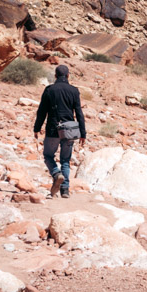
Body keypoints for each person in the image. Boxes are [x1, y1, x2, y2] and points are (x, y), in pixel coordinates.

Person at [33, 64, 86, 197]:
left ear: (55, 76)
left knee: (48, 156)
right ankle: (65, 190)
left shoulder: (49, 90)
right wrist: (83, 133)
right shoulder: (74, 90)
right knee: (65, 160)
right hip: (69, 130)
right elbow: (79, 112)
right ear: (68, 75)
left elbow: (42, 111)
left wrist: (37, 128)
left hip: (52, 128)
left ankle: (56, 174)